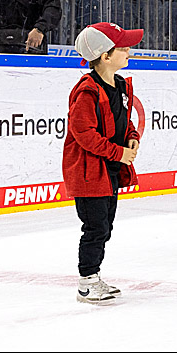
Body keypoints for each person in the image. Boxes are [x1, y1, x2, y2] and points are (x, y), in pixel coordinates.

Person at [63, 22, 144, 304]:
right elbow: (83, 134)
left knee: (105, 226)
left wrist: (131, 138)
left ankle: (94, 277)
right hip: (89, 172)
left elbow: (125, 122)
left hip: (109, 170)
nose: (129, 51)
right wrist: (118, 152)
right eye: (123, 48)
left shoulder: (121, 85)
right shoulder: (87, 91)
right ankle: (87, 283)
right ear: (106, 56)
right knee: (95, 227)